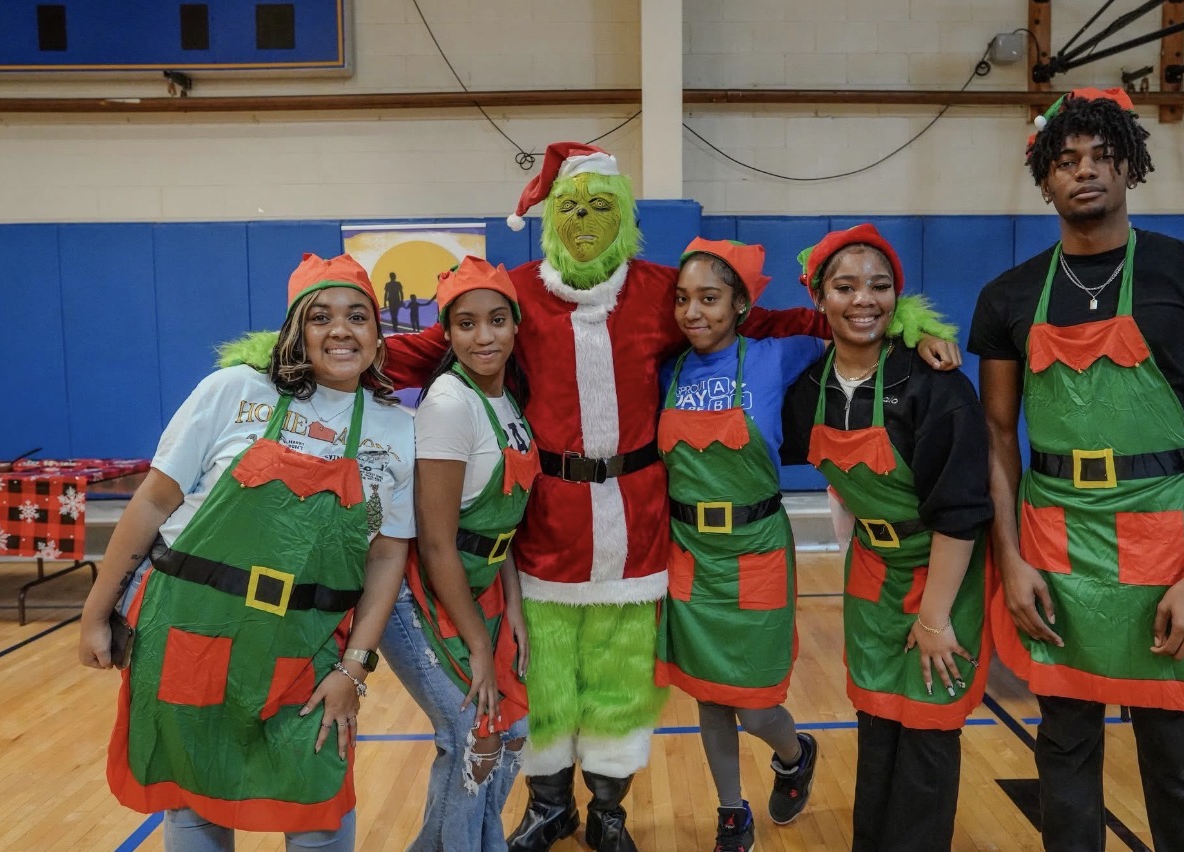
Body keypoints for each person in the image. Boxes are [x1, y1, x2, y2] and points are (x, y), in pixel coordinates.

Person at [383, 142, 963, 852]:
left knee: (625, 672)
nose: (586, 222)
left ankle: (608, 808)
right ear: (549, 218)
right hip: (551, 522)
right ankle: (547, 803)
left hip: (640, 517)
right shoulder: (518, 295)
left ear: (625, 216)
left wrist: (911, 327)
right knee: (545, 669)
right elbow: (423, 347)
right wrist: (323, 346)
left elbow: (790, 322)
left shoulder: (662, 291)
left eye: (602, 207)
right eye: (572, 208)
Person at [968, 87, 1184, 851]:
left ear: (1130, 165)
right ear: (1044, 179)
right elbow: (997, 435)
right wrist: (1011, 558)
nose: (1085, 172)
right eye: (1066, 161)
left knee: (1177, 759)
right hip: (1057, 541)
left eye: (1102, 156)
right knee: (1063, 748)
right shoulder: (1008, 296)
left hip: (1168, 539)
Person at [78, 253, 415, 850]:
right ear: (294, 332)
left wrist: (356, 667)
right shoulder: (233, 390)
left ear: (377, 333)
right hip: (191, 627)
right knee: (195, 800)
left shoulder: (396, 429)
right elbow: (153, 503)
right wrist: (95, 613)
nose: (340, 329)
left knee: (318, 805)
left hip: (307, 645)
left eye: (357, 316)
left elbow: (386, 556)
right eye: (320, 316)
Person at [781, 223, 993, 852]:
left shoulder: (935, 386)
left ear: (898, 299)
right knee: (877, 722)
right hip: (873, 568)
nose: (863, 299)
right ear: (821, 298)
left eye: (880, 286)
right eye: (845, 286)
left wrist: (934, 619)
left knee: (927, 731)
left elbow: (960, 513)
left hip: (943, 573)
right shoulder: (807, 390)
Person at [655, 238, 824, 852]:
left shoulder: (778, 357)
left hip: (757, 550)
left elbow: (859, 328)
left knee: (754, 707)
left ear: (741, 304)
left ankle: (794, 752)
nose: (693, 312)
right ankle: (732, 810)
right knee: (709, 697)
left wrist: (923, 336)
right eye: (683, 299)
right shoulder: (667, 370)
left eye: (710, 299)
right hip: (691, 552)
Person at [378, 256, 535, 852]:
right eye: (466, 324)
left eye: (497, 320)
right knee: (474, 735)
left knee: (513, 730)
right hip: (427, 593)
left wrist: (514, 604)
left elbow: (505, 527)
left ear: (516, 325)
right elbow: (439, 540)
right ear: (447, 333)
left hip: (487, 586)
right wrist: (475, 643)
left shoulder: (508, 403)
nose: (484, 336)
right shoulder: (450, 404)